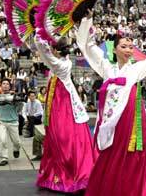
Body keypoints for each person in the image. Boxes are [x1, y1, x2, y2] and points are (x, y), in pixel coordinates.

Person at [76, 10, 146, 195]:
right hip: (112, 120)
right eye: (124, 46)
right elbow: (87, 47)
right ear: (114, 49)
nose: (129, 50)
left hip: (131, 118)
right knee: (111, 152)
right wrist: (87, 20)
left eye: (131, 47)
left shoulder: (137, 69)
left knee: (133, 153)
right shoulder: (106, 67)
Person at [34, 35, 95, 193]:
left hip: (63, 104)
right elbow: (46, 55)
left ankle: (70, 173)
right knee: (60, 136)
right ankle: (62, 172)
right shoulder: (61, 62)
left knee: (62, 136)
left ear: (55, 50)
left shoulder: (61, 65)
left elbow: (44, 53)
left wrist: (38, 35)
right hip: (59, 101)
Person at [0, 79, 23, 166]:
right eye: (3, 83)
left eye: (7, 84)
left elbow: (19, 109)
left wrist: (18, 100)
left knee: (16, 142)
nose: (5, 85)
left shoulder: (14, 96)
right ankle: (4, 158)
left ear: (10, 86)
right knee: (2, 140)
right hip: (2, 122)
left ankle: (16, 149)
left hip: (13, 122)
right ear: (1, 86)